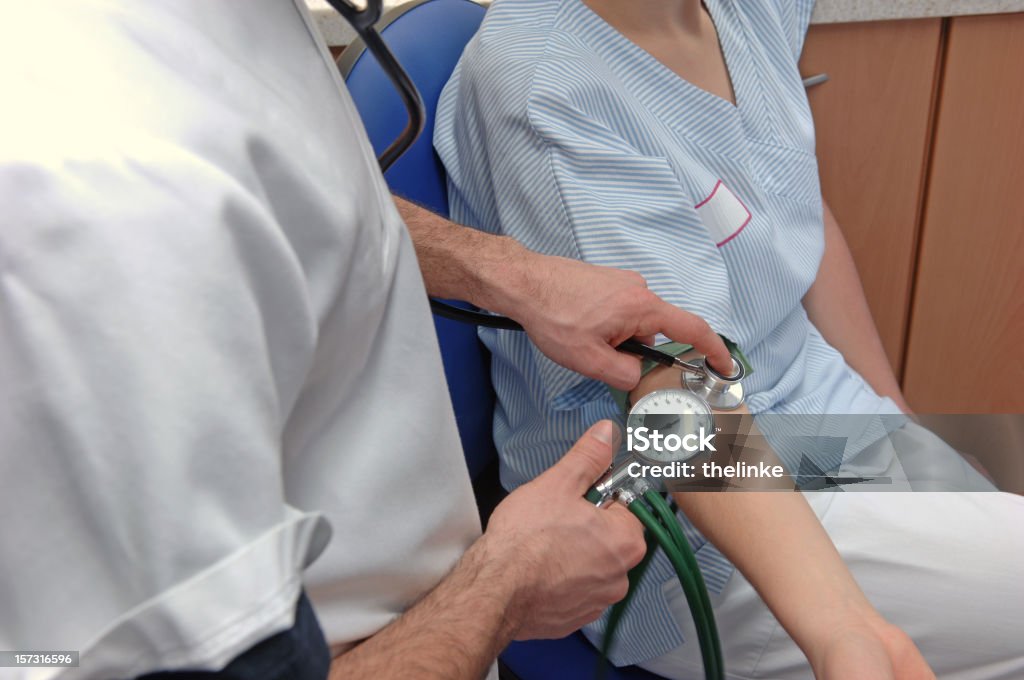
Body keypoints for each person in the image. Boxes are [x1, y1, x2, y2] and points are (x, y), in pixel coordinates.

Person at [0, 1, 735, 679]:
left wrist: (502, 269)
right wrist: (506, 589)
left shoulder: (227, 31)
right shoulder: (102, 194)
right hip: (699, 503)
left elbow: (283, 197)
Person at [434, 0, 1024, 678]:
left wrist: (894, 418)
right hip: (684, 521)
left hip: (812, 424)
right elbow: (674, 393)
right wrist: (844, 627)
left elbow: (792, 199)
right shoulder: (548, 86)